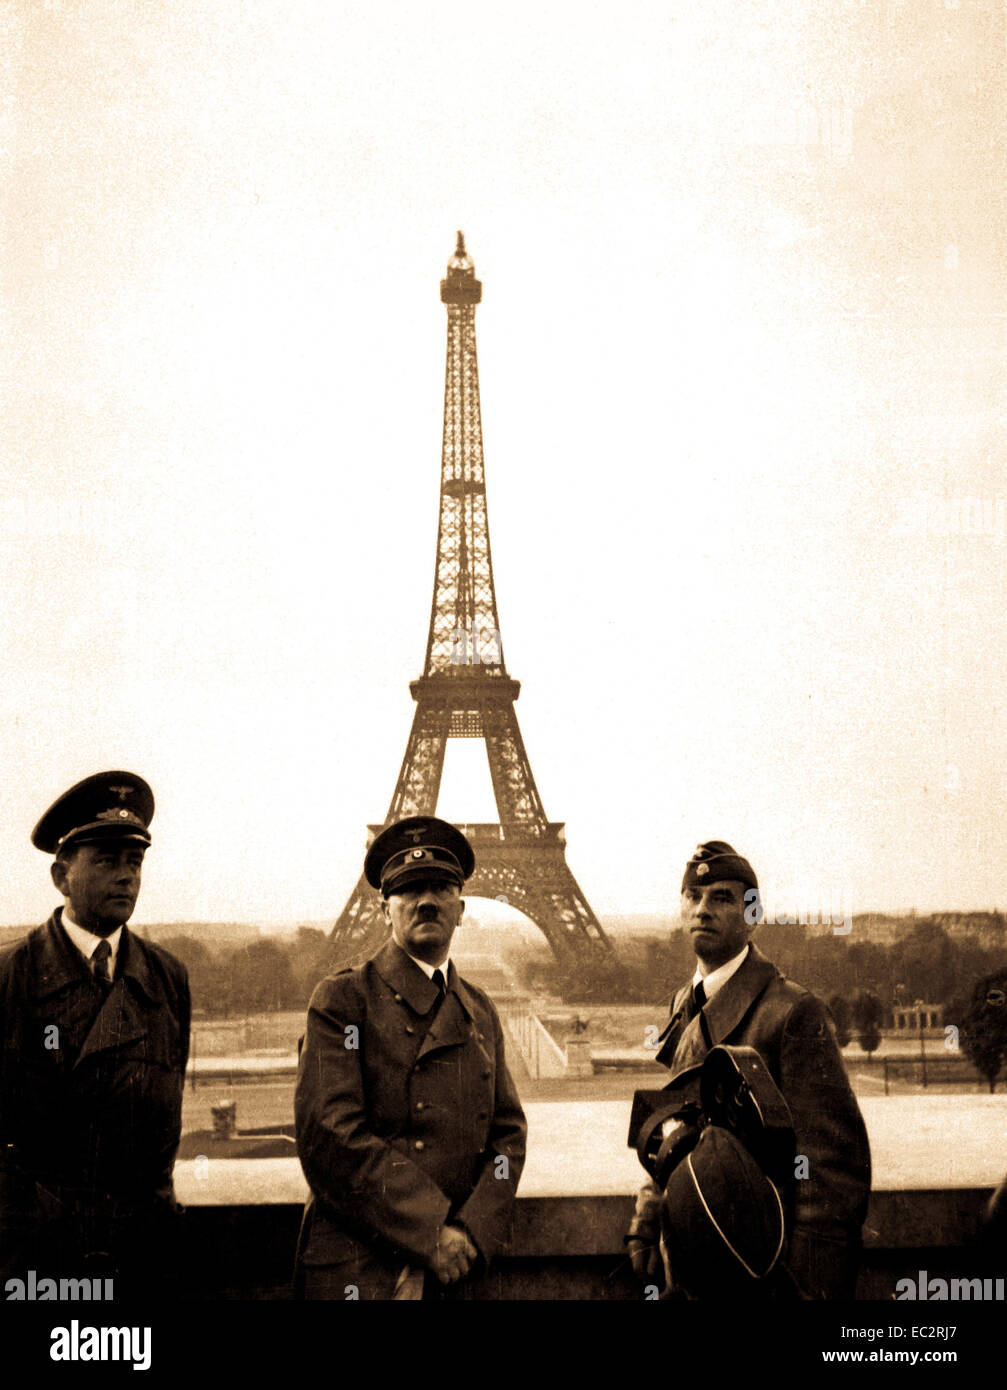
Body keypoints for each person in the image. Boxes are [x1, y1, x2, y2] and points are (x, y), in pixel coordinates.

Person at [294, 816, 527, 1299]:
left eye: (440, 887)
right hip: (369, 1269)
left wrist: (470, 1231)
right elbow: (330, 1135)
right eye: (409, 889)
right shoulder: (342, 1002)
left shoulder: (480, 1009)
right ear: (385, 907)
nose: (426, 901)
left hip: (458, 1265)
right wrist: (430, 1230)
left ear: (461, 908)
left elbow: (508, 1138)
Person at [631, 840, 870, 1299]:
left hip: (760, 1278)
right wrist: (648, 1217)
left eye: (721, 898)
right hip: (692, 1260)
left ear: (753, 913)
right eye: (692, 897)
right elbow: (676, 1128)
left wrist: (803, 1288)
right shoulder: (686, 1002)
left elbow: (830, 1176)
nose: (702, 910)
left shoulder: (793, 1012)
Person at [0, 771, 190, 1292]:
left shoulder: (168, 979)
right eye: (107, 860)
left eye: (135, 862)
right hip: (37, 1258)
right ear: (61, 876)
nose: (126, 876)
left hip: (141, 1254)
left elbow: (163, 1130)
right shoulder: (9, 978)